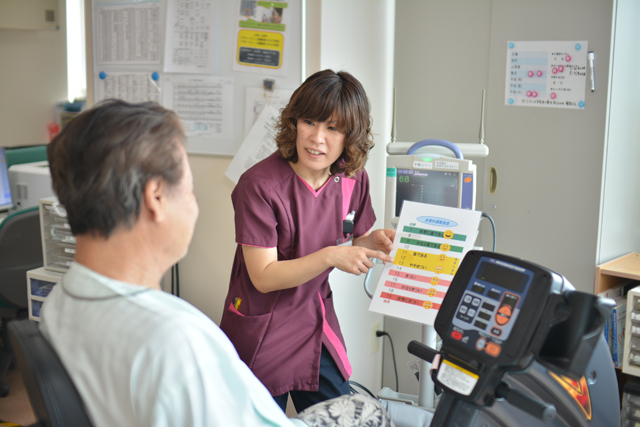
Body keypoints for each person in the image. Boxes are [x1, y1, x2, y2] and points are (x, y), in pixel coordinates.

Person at [40, 100, 394, 427]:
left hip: (312, 319)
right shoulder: (177, 340)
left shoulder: (58, 304)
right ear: (156, 199)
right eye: (189, 187)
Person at [220, 70, 396, 413]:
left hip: (314, 321)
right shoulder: (259, 186)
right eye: (309, 122)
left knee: (340, 416)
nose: (317, 138)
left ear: (350, 136)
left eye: (332, 128)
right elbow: (264, 276)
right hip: (263, 327)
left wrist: (373, 240)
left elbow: (353, 235)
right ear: (294, 122)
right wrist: (331, 256)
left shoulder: (351, 179)